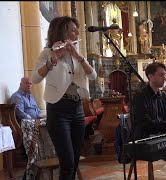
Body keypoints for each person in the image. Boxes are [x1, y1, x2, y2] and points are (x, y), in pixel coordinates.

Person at [31, 16, 97, 180]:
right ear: (62, 31)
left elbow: (93, 76)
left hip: (77, 108)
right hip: (58, 109)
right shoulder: (47, 53)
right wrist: (53, 59)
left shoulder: (76, 53)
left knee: (74, 160)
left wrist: (79, 57)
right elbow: (34, 79)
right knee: (67, 161)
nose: (76, 33)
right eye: (73, 30)